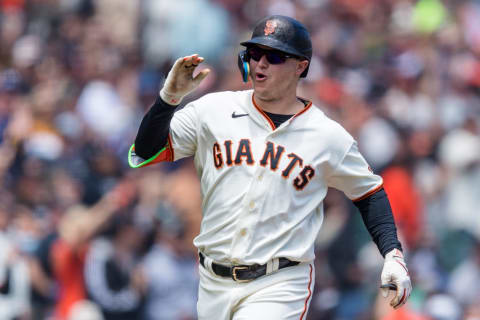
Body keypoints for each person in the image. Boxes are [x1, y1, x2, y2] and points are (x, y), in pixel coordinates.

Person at [130, 15, 412, 320]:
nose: (261, 64)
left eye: (274, 56)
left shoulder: (327, 135)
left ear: (300, 66)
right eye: (255, 54)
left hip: (279, 282)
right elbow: (146, 152)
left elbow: (369, 193)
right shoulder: (213, 110)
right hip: (212, 281)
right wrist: (168, 98)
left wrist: (392, 254)